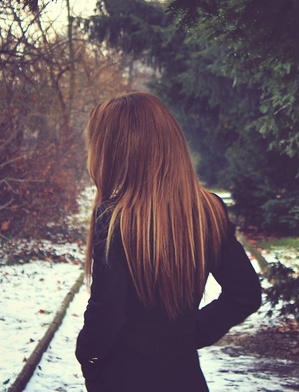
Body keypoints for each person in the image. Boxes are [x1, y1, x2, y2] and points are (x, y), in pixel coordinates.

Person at [75, 92, 262, 392]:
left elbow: (106, 313)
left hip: (125, 379)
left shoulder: (114, 219)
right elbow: (246, 293)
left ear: (114, 152)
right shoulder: (207, 210)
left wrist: (88, 356)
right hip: (185, 379)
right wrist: (188, 335)